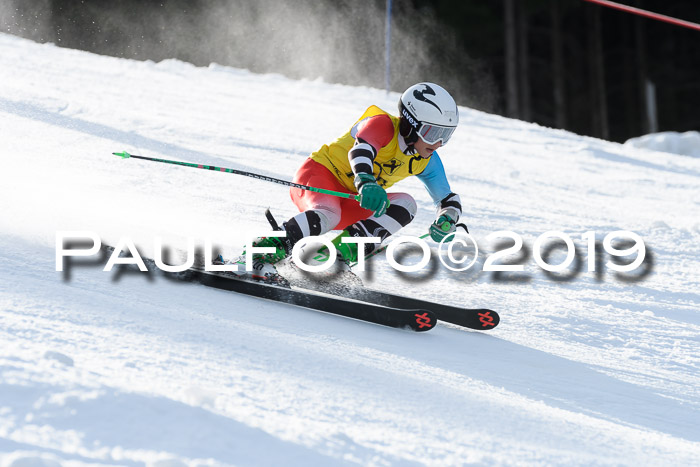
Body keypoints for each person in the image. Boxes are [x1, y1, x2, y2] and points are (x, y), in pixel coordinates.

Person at [239, 82, 464, 281]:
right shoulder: (382, 125)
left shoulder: (427, 160)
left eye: (447, 135)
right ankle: (257, 253)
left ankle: (329, 260)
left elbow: (447, 198)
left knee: (406, 204)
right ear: (411, 125)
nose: (439, 143)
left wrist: (447, 218)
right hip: (318, 177)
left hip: (352, 200)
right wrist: (366, 181)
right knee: (328, 213)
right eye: (433, 133)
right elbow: (361, 151)